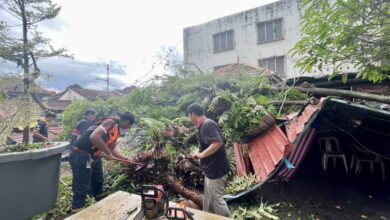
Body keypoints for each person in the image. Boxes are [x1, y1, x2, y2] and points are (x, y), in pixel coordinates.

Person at [69, 112, 135, 213]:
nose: (129, 127)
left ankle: (101, 209)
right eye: (130, 124)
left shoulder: (117, 131)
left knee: (98, 182)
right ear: (126, 121)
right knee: (82, 186)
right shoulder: (110, 122)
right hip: (81, 154)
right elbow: (94, 137)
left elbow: (112, 149)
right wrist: (107, 153)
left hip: (95, 156)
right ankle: (77, 211)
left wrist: (126, 158)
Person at [188, 103, 230, 217]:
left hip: (216, 170)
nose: (189, 118)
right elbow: (209, 144)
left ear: (192, 114)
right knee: (208, 200)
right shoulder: (203, 126)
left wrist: (201, 155)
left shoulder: (207, 125)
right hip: (210, 170)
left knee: (217, 201)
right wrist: (198, 151)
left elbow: (217, 143)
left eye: (189, 115)